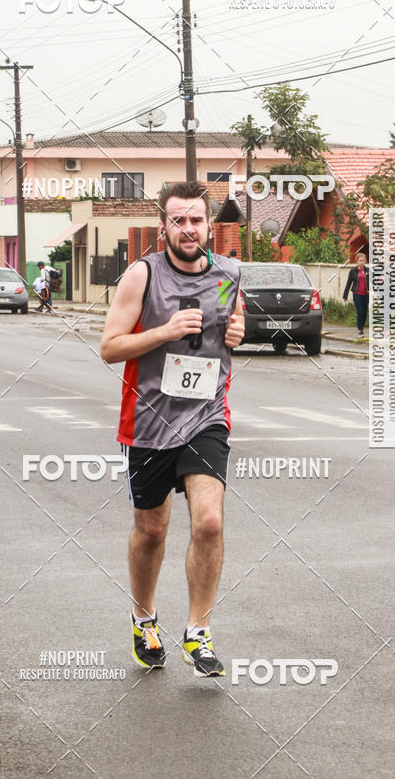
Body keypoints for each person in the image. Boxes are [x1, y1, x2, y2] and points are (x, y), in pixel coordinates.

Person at [100, 181, 245, 678]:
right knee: (152, 530)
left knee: (210, 522)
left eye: (196, 220)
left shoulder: (228, 274)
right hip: (148, 421)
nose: (188, 229)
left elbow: (230, 320)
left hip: (206, 418)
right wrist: (164, 331)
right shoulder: (142, 275)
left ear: (209, 226)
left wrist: (239, 330)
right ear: (163, 226)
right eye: (178, 220)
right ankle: (144, 619)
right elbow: (110, 347)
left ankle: (198, 633)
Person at [343, 251, 370, 337]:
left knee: (365, 312)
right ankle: (360, 329)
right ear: (357, 261)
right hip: (357, 294)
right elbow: (348, 284)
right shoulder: (353, 271)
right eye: (360, 260)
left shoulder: (368, 271)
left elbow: (372, 282)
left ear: (365, 261)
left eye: (363, 260)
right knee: (360, 311)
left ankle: (362, 326)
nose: (361, 262)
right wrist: (345, 296)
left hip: (366, 294)